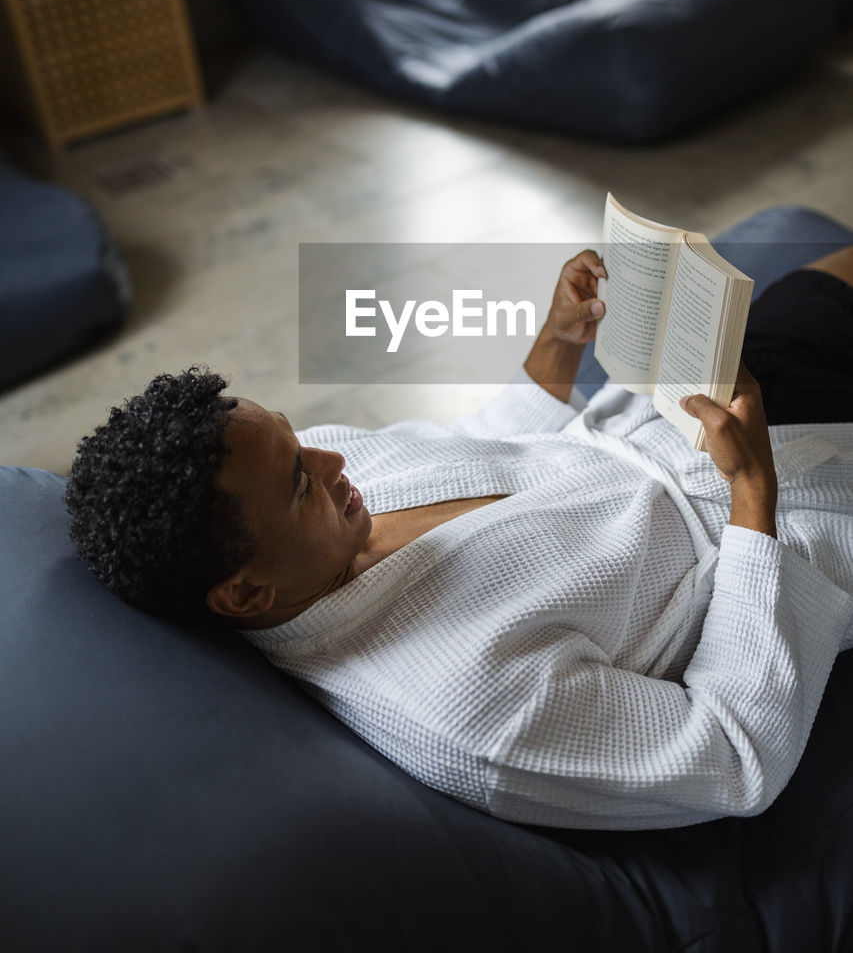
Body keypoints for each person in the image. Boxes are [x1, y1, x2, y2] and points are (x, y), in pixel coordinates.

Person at [66, 247, 853, 831]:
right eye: (300, 481)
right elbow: (731, 753)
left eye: (296, 436)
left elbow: (469, 446)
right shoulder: (469, 712)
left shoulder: (320, 496)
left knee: (825, 282)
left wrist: (556, 344)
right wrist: (752, 497)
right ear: (244, 592)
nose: (331, 455)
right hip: (795, 518)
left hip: (688, 415)